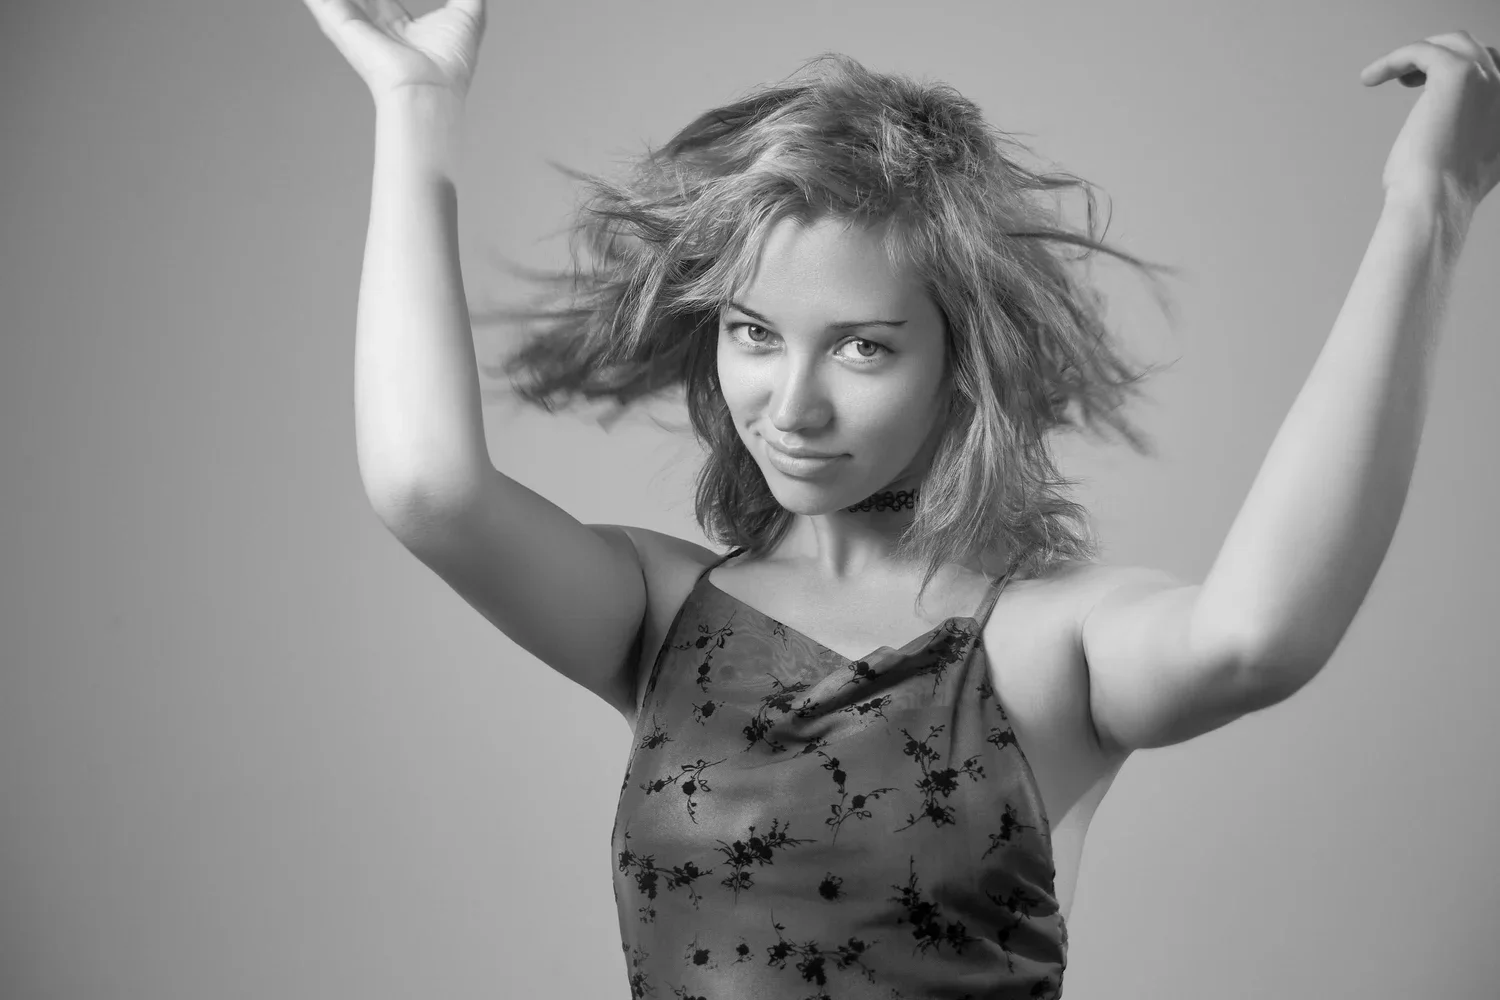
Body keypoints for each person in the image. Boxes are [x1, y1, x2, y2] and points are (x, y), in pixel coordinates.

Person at [301, 1, 1500, 996]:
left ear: (958, 363)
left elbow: (1259, 635)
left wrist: (1428, 212)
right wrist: (415, 110)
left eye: (864, 347)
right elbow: (425, 486)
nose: (793, 404)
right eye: (755, 334)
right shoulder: (658, 613)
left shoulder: (1046, 644)